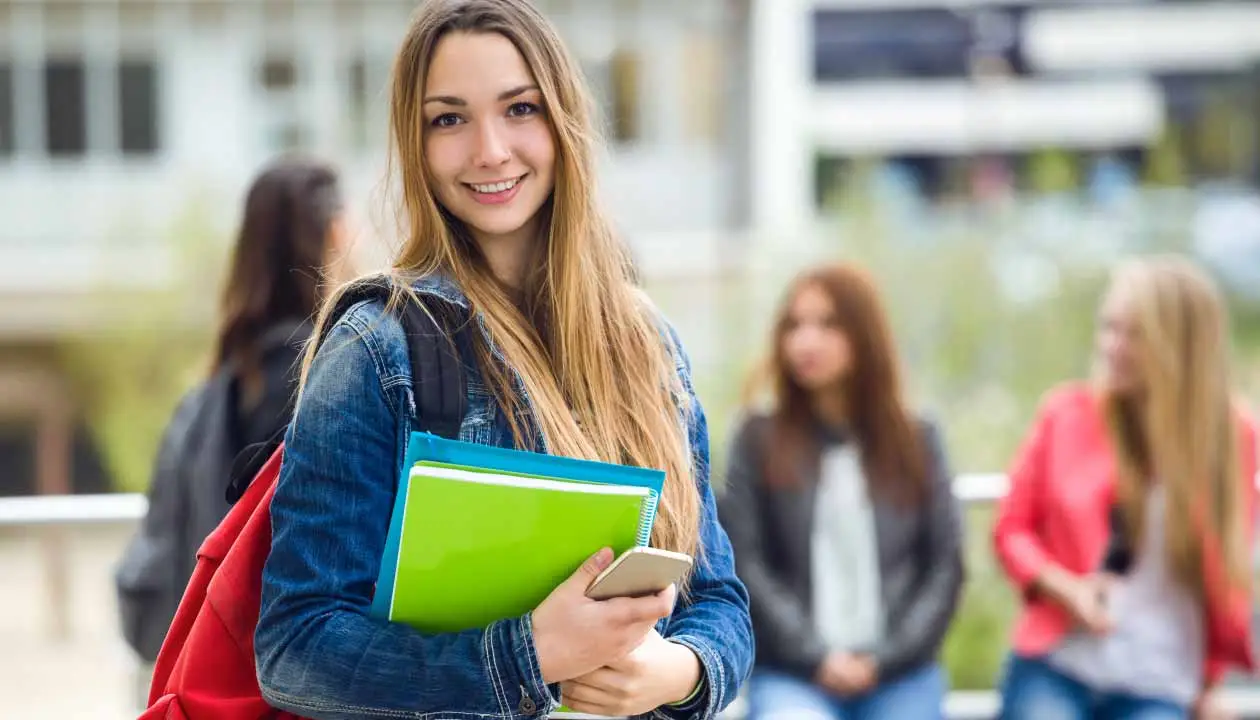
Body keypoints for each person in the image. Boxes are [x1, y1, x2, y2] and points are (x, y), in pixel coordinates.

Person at [251, 1, 754, 718]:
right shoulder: (377, 348)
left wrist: (680, 672)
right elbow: (293, 651)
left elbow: (719, 597)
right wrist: (530, 654)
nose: (489, 150)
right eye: (448, 119)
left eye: (519, 109)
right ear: (415, 144)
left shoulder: (651, 346)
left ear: (563, 120)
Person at [994, 255, 1257, 720]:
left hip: (1160, 678)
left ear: (1179, 344)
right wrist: (1066, 589)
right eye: (1108, 328)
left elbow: (1227, 572)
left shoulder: (1234, 440)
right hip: (1061, 662)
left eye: (1134, 334)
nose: (1112, 346)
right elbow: (1010, 530)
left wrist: (1209, 682)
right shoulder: (1067, 414)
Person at [115, 156, 351, 664]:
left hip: (204, 661)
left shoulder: (219, 383)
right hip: (268, 675)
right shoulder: (319, 372)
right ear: (334, 234)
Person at [718, 263, 965, 720]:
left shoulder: (918, 439)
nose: (805, 341)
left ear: (864, 334)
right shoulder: (756, 439)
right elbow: (745, 564)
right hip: (793, 674)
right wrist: (816, 656)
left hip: (900, 674)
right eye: (794, 325)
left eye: (827, 324)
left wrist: (884, 659)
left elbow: (944, 569)